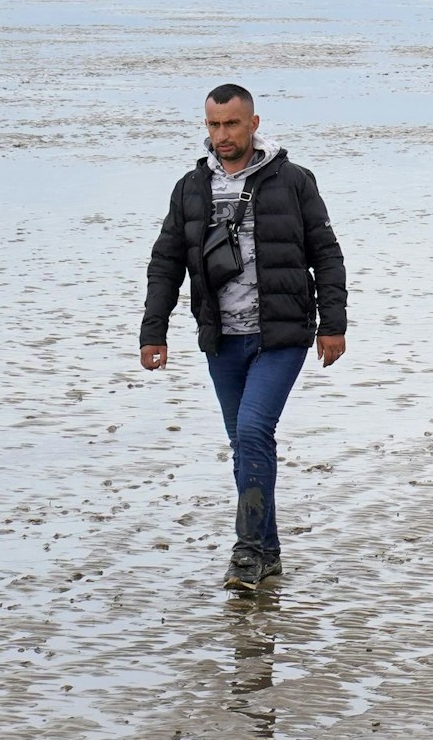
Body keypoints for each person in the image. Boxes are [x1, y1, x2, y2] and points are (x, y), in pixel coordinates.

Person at [140, 83, 347, 591]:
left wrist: (333, 324)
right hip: (221, 338)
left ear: (254, 123)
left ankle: (247, 552)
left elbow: (326, 252)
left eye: (232, 124)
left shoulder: (294, 181)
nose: (222, 135)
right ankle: (269, 551)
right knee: (244, 446)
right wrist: (154, 330)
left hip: (281, 333)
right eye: (213, 125)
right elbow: (166, 262)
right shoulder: (191, 187)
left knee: (254, 432)